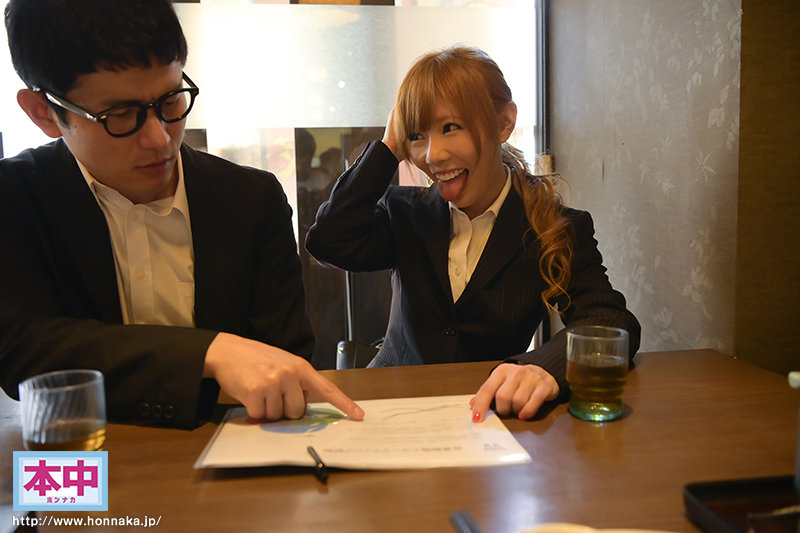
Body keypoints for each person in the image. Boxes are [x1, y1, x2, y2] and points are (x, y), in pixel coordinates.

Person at [0, 0, 363, 429]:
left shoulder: (251, 199)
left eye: (171, 101)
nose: (159, 139)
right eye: (122, 115)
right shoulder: (16, 197)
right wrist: (210, 352)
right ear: (43, 112)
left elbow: (285, 361)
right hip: (78, 450)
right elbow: (24, 351)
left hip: (233, 445)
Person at [306, 46, 640, 422]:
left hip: (490, 415)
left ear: (504, 123)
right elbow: (329, 241)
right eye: (417, 135)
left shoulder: (554, 226)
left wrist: (541, 368)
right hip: (391, 408)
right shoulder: (404, 212)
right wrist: (388, 149)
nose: (433, 155)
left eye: (450, 128)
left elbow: (609, 321)